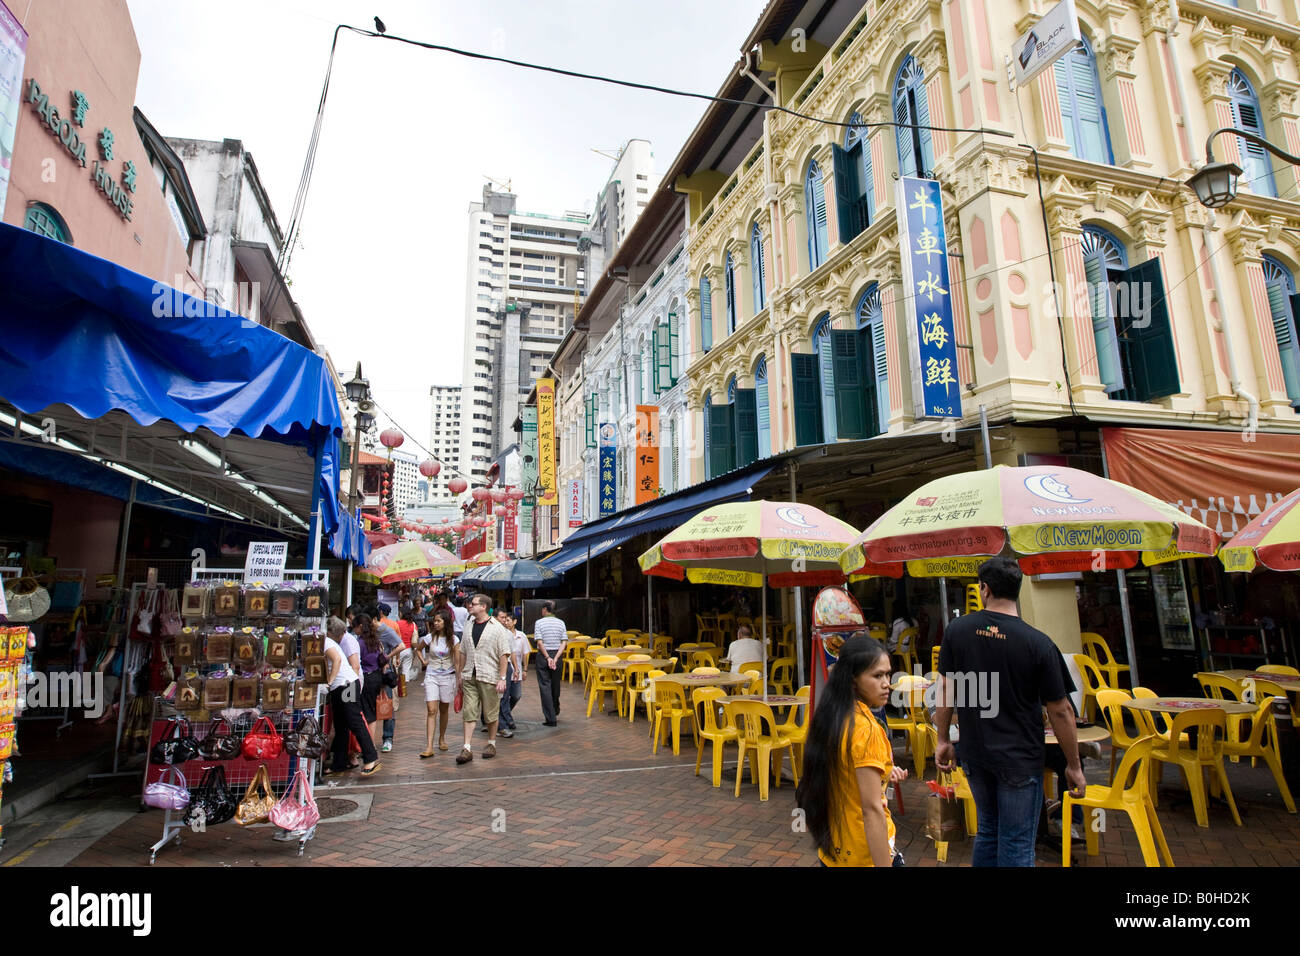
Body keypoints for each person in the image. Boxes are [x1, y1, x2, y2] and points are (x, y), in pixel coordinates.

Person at [935, 557, 1085, 868]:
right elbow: (1061, 710)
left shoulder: (957, 631)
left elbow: (946, 690)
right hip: (1019, 758)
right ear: (1016, 591)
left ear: (984, 589)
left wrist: (942, 739)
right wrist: (1073, 764)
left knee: (988, 831)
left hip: (975, 753)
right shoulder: (1039, 643)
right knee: (1016, 843)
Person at [795, 635, 907, 866]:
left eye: (887, 674)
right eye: (877, 676)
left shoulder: (832, 717)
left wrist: (884, 771)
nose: (887, 683)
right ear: (853, 679)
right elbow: (872, 811)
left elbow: (846, 774)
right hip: (864, 854)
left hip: (834, 850)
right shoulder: (866, 730)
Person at [454, 593, 512, 764]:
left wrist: (502, 677)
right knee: (469, 711)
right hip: (470, 675)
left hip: (489, 675)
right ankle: (467, 747)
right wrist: (461, 674)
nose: (470, 606)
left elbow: (504, 654)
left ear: (483, 606)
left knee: (490, 712)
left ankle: (491, 743)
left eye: (473, 604)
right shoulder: (468, 625)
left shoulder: (497, 628)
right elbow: (463, 651)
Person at [324, 616, 379, 777]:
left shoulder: (330, 642)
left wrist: (330, 680)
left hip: (347, 685)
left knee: (355, 720)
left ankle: (370, 757)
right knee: (341, 725)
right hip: (340, 686)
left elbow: (338, 660)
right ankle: (339, 763)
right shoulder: (331, 641)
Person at [415, 609, 458, 757]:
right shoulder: (429, 638)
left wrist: (459, 679)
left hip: (448, 676)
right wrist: (424, 661)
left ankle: (442, 737)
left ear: (446, 622)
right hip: (431, 676)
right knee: (431, 709)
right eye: (435, 621)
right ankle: (429, 746)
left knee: (444, 709)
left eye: (439, 621)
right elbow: (418, 650)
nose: (436, 623)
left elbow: (457, 660)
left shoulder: (454, 640)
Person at [531, 601, 567, 726]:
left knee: (545, 686)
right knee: (555, 685)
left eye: (542, 609)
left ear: (546, 609)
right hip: (557, 655)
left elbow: (540, 643)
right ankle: (555, 709)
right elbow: (563, 642)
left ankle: (551, 718)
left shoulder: (539, 623)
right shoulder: (561, 623)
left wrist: (547, 658)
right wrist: (555, 658)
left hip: (543, 657)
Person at [494, 609, 526, 738]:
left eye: (505, 618)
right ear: (495, 618)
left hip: (506, 667)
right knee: (496, 696)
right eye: (502, 617)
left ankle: (503, 724)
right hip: (492, 666)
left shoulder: (507, 634)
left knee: (505, 696)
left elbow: (512, 652)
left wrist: (516, 668)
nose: (504, 620)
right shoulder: (490, 632)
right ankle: (501, 721)